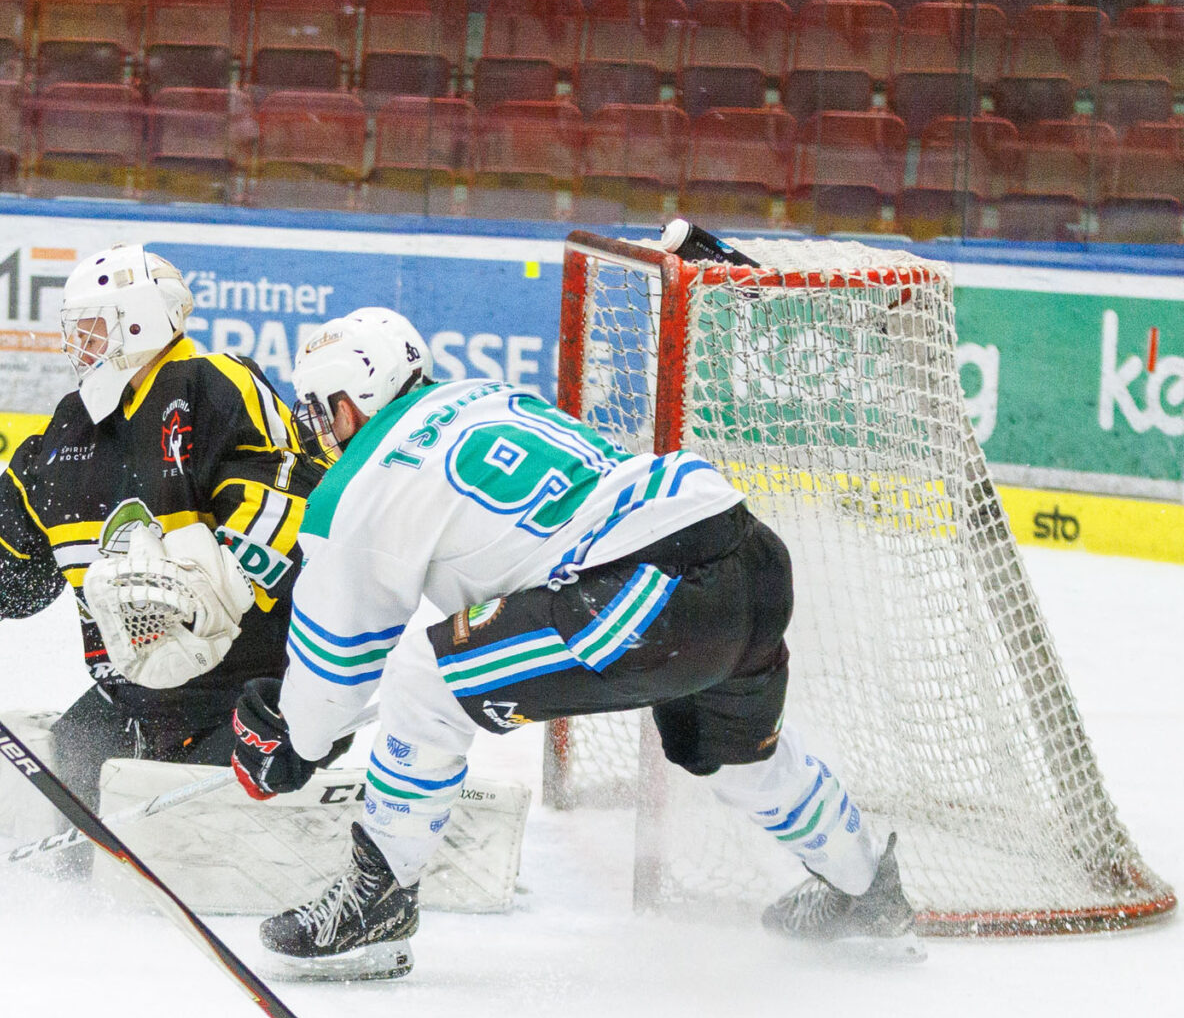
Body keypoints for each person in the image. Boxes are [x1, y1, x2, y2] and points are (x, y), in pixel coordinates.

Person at [229, 305, 915, 981]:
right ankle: (866, 888)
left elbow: (333, 680)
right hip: (743, 551)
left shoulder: (362, 483)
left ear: (351, 401)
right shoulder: (484, 395)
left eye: (320, 409)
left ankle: (378, 898)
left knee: (425, 678)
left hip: (647, 594)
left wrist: (293, 739)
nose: (321, 430)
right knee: (738, 754)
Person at [0, 246, 328, 808]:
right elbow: (13, 544)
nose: (78, 345)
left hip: (244, 693)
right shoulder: (71, 425)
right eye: (75, 331)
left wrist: (224, 588)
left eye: (92, 328)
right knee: (69, 765)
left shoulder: (211, 385)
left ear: (142, 319)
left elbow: (288, 502)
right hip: (130, 693)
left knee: (179, 827)